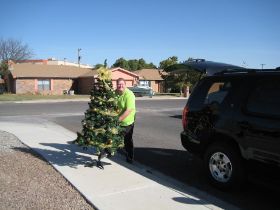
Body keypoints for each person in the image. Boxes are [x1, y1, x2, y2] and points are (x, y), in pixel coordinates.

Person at [116, 78, 136, 163]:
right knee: (114, 136)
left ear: (125, 85)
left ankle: (130, 156)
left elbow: (128, 110)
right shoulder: (115, 92)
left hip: (128, 121)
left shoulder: (129, 94)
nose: (120, 86)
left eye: (122, 84)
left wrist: (118, 120)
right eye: (118, 84)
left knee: (127, 139)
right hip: (117, 119)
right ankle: (110, 151)